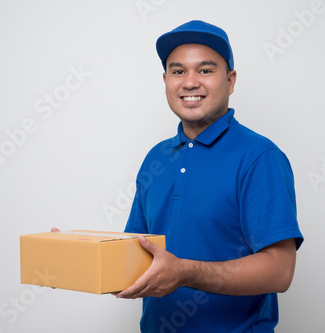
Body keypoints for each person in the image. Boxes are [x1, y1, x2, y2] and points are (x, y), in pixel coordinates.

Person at [116, 20, 304, 332]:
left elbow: (280, 271)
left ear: (230, 81)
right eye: (178, 71)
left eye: (205, 70)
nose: (190, 82)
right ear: (165, 80)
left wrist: (185, 272)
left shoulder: (259, 157)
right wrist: (70, 261)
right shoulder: (156, 159)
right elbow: (135, 256)